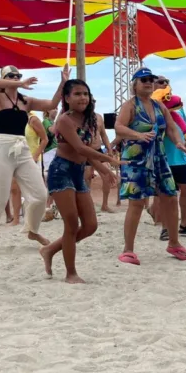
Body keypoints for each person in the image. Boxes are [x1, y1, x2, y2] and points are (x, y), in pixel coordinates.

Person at [0, 64, 67, 255]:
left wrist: (62, 83)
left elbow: (51, 105)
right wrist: (20, 82)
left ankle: (32, 230)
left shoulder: (26, 101)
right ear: (4, 78)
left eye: (18, 75)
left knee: (40, 194)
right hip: (1, 148)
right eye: (11, 76)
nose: (16, 78)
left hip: (22, 147)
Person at [40, 80, 118, 283]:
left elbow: (86, 154)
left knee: (91, 225)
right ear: (67, 98)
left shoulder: (90, 120)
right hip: (61, 171)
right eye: (77, 94)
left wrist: (104, 170)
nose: (83, 97)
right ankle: (70, 273)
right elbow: (80, 148)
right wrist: (109, 159)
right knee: (72, 224)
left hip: (78, 171)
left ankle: (50, 249)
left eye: (85, 93)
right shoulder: (65, 120)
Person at [115, 67, 186, 264]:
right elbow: (119, 127)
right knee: (137, 203)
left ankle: (174, 243)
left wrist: (178, 142)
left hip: (159, 157)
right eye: (144, 80)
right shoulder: (130, 106)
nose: (149, 82)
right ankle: (128, 250)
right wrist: (138, 135)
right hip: (136, 159)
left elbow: (171, 127)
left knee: (170, 197)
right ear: (135, 84)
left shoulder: (159, 106)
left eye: (151, 79)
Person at [158, 90, 186, 238]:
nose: (165, 84)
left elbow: (185, 126)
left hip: (181, 155)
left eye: (166, 82)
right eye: (161, 82)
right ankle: (165, 227)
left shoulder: (177, 106)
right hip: (163, 155)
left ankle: (184, 223)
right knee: (167, 193)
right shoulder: (154, 106)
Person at [83, 110, 117, 213]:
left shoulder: (99, 117)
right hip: (86, 150)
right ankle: (87, 205)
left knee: (106, 176)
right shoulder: (80, 117)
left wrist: (109, 149)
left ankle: (105, 205)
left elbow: (104, 135)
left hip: (98, 150)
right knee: (87, 177)